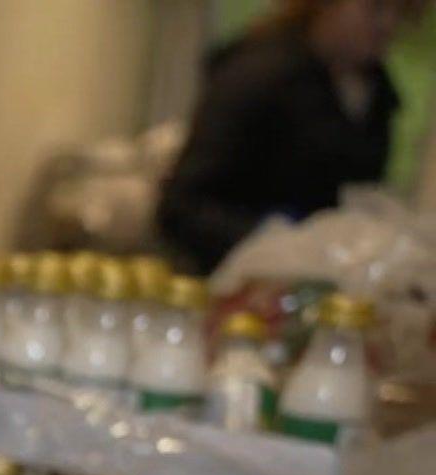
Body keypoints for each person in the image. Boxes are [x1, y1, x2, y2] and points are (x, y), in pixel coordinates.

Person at [157, 0, 409, 273]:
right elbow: (183, 206)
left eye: (401, 12)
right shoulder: (257, 75)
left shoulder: (377, 95)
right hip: (234, 279)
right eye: (376, 8)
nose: (388, 25)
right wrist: (283, 243)